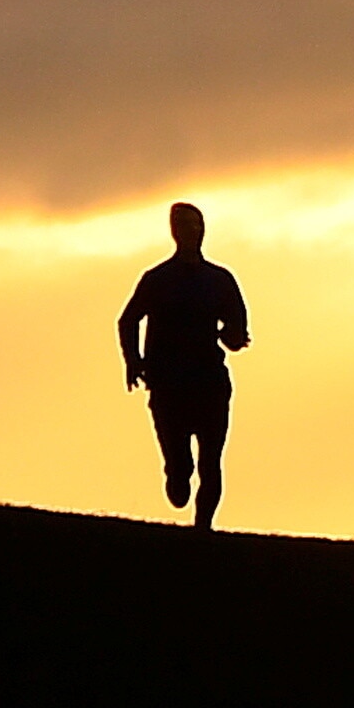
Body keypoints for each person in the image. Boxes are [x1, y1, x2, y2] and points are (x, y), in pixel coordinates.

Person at [117, 200, 251, 527]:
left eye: (198, 226)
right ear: (175, 233)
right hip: (168, 384)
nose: (194, 232)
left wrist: (232, 336)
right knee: (180, 471)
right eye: (187, 226)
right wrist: (133, 362)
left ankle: (203, 530)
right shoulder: (157, 279)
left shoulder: (220, 280)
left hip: (210, 382)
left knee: (211, 461)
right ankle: (177, 472)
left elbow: (239, 328)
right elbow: (128, 320)